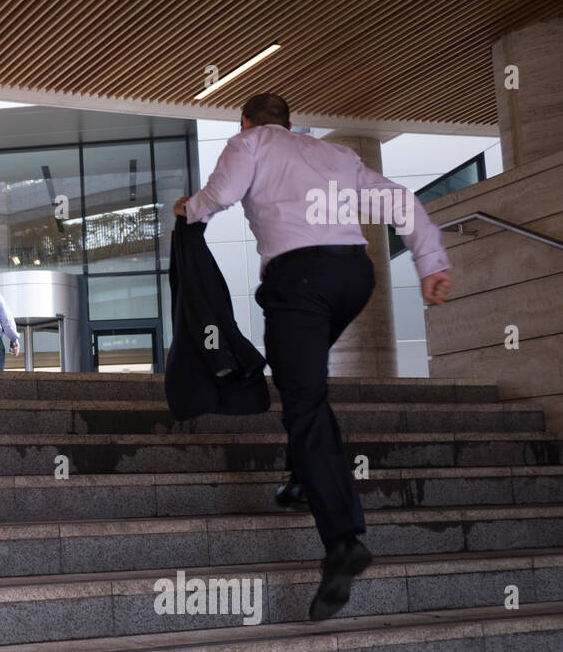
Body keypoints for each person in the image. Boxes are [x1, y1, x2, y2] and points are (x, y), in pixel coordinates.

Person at [173, 92, 453, 621]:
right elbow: (399, 201)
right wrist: (430, 261)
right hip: (353, 277)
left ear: (247, 121)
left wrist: (193, 208)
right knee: (300, 384)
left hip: (299, 281)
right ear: (293, 123)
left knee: (304, 398)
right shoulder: (338, 156)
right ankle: (303, 474)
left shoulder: (248, 142)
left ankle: (344, 539)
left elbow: (223, 192)